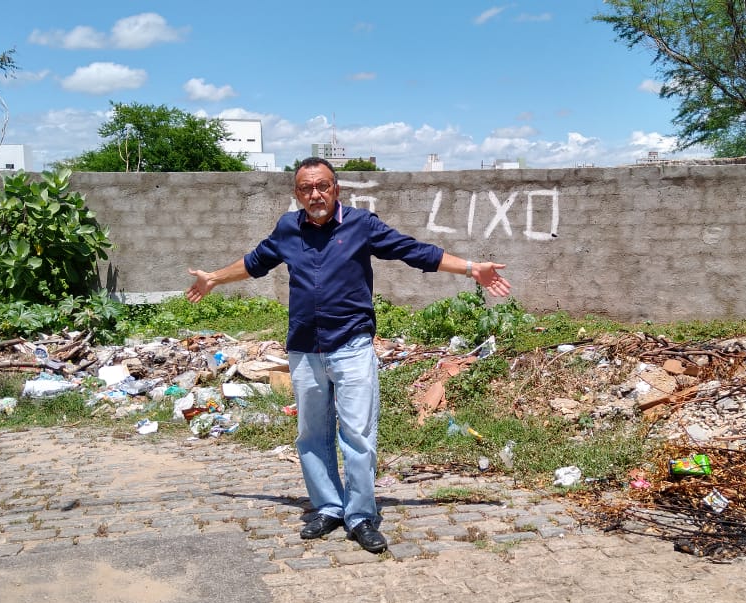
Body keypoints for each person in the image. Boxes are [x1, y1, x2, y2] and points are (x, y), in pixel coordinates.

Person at [186, 157, 511, 553]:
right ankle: (327, 508)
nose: (315, 194)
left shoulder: (361, 225)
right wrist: (214, 278)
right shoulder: (288, 229)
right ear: (296, 194)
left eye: (322, 186)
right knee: (311, 434)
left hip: (352, 345)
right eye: (306, 188)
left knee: (357, 434)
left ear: (336, 189)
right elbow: (255, 263)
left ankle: (360, 515)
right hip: (305, 347)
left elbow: (414, 251)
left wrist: (471, 268)